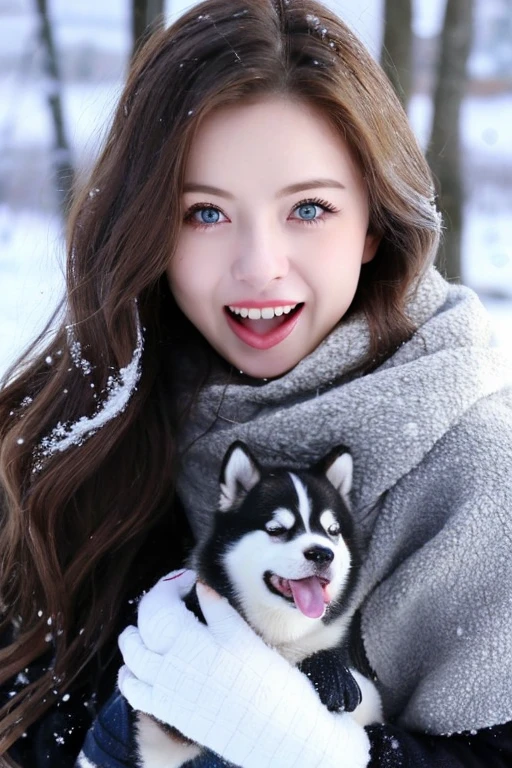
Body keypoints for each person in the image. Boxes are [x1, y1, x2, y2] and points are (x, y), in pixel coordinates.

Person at [1, 0, 511, 765]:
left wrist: (325, 755)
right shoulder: (83, 431)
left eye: (308, 208)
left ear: (373, 221)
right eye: (204, 214)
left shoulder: (481, 479)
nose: (258, 266)